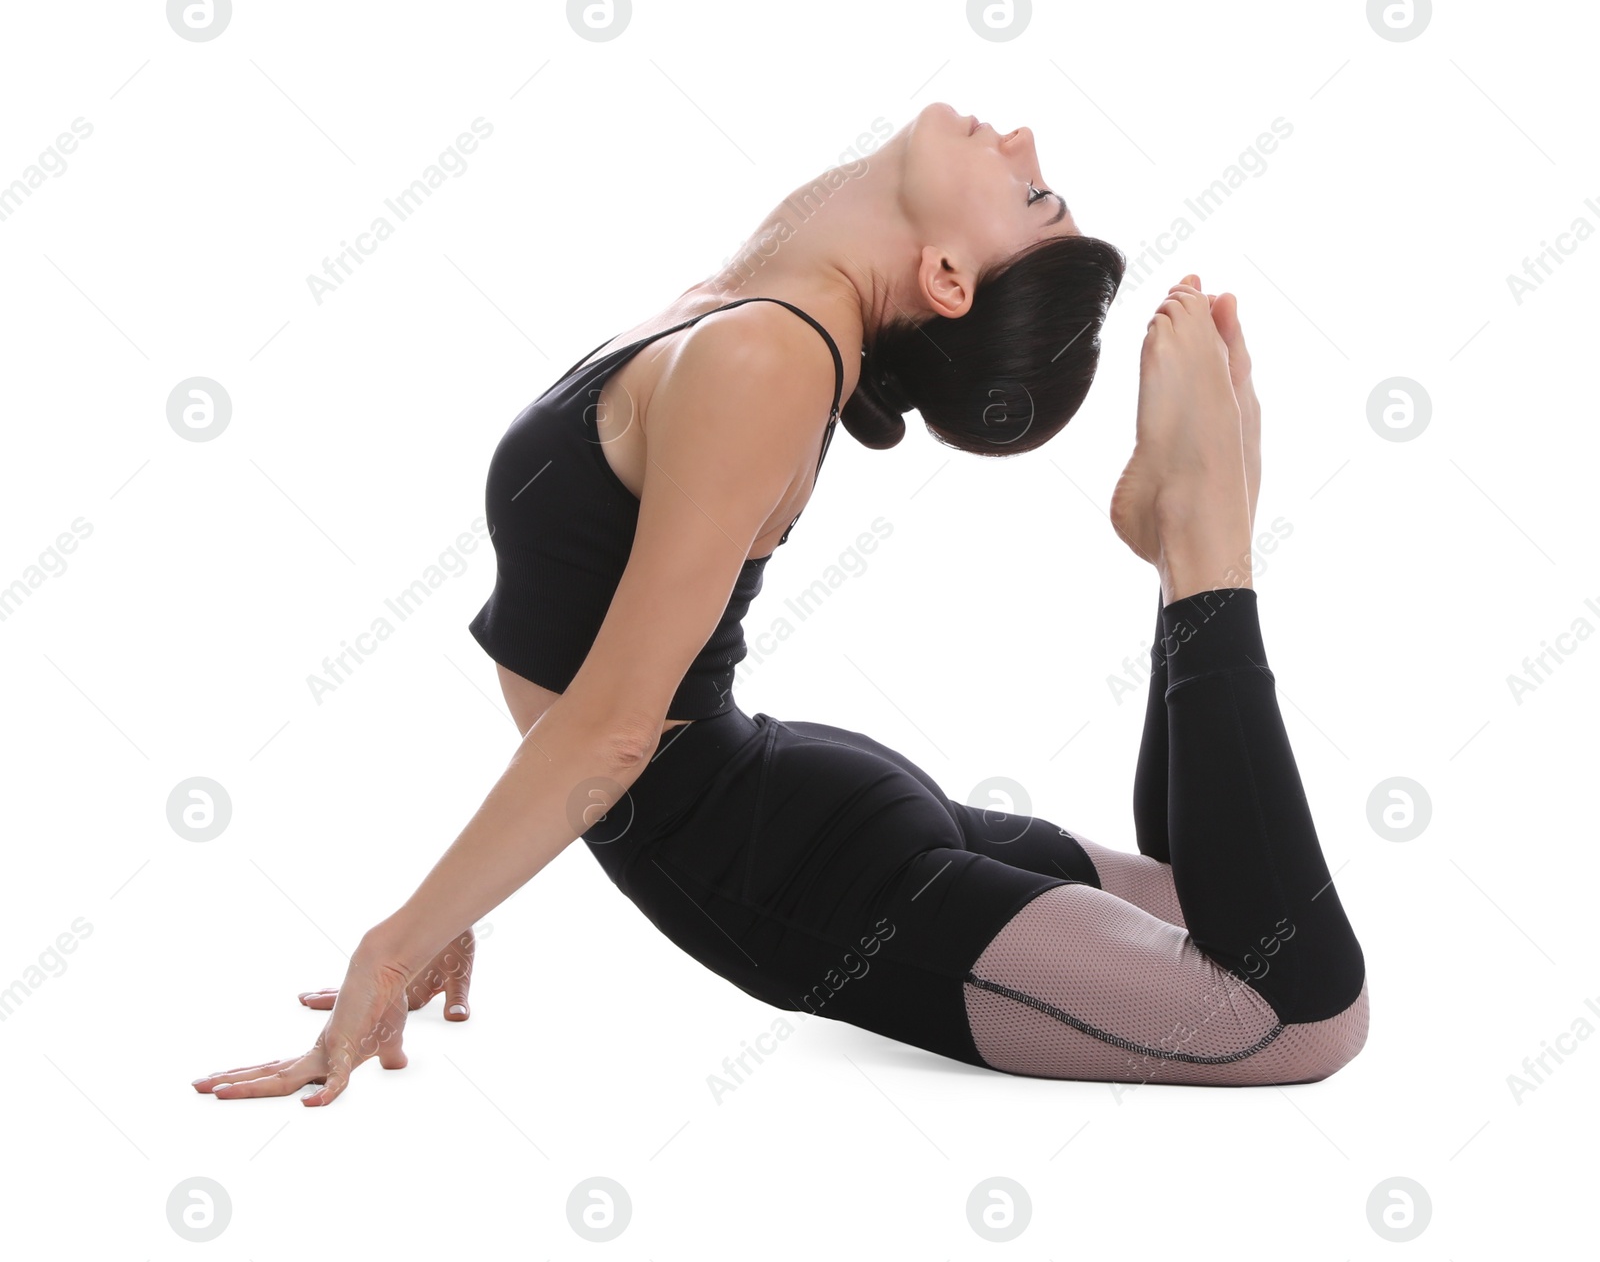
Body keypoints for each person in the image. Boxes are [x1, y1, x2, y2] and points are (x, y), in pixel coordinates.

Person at [192, 102, 1366, 1104]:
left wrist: (392, 946)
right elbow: (590, 689)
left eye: (1033, 192)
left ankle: (1205, 546)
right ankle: (1186, 551)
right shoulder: (747, 313)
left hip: (802, 872)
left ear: (946, 276)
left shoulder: (765, 355)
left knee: (1299, 1011)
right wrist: (457, 898)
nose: (1018, 136)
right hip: (805, 814)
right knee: (1227, 911)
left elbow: (610, 728)